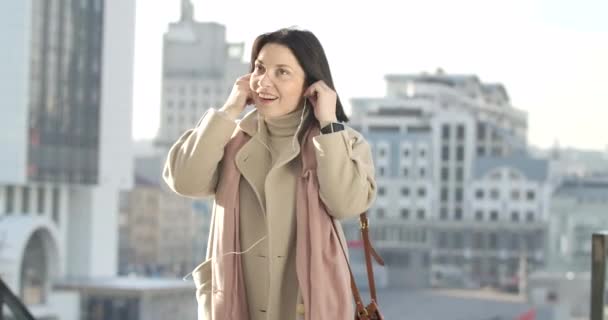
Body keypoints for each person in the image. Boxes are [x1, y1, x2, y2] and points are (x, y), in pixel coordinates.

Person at [163, 27, 377, 320]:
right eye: (260, 69)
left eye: (282, 72)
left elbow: (346, 203)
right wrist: (228, 110)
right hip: (237, 304)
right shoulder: (231, 139)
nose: (264, 81)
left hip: (306, 306)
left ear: (311, 84)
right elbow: (185, 181)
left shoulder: (341, 142)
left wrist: (328, 124)